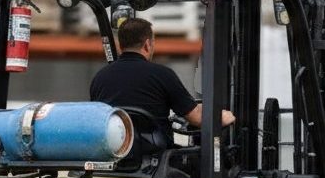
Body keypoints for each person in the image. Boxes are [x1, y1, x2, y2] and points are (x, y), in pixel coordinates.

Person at [90, 18, 235, 138]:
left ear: (120, 46)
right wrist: (224, 116)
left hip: (116, 151)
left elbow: (98, 118)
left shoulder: (99, 78)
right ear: (147, 44)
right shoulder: (162, 74)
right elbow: (196, 118)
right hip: (155, 156)